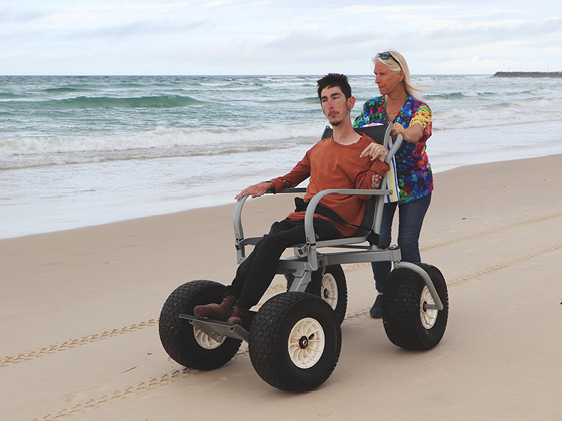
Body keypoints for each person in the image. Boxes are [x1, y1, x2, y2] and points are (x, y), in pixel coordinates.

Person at [194, 73, 390, 325]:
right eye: (324, 100)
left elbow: (368, 188)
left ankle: (240, 311)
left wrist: (381, 158)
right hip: (306, 216)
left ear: (350, 102)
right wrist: (267, 185)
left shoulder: (366, 148)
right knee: (267, 240)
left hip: (337, 222)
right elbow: (292, 178)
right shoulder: (318, 149)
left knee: (273, 242)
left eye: (335, 98)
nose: (330, 105)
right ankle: (227, 303)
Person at [353, 50, 433, 318]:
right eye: (375, 74)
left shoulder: (418, 109)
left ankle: (413, 294)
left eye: (382, 74)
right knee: (379, 241)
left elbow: (416, 132)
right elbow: (354, 136)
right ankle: (383, 293)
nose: (377, 80)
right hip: (381, 186)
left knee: (407, 242)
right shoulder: (372, 107)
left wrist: (402, 130)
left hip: (414, 186)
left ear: (400, 75)